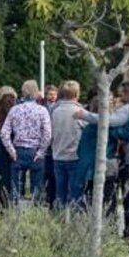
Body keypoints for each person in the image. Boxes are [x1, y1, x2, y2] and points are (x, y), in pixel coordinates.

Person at [80, 82, 129, 239]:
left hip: (89, 170)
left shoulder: (88, 129)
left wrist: (84, 115)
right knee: (118, 201)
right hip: (116, 166)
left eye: (121, 95)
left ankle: (97, 233)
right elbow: (126, 133)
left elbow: (113, 123)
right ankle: (122, 232)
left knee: (94, 202)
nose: (120, 99)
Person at [0, 79, 52, 207]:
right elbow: (47, 134)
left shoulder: (15, 110)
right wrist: (41, 151)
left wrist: (11, 150)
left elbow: (4, 133)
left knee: (15, 188)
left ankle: (13, 214)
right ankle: (35, 215)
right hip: (35, 151)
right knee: (37, 188)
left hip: (19, 150)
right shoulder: (42, 111)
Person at [49, 81, 87, 209]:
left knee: (60, 194)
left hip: (58, 156)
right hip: (74, 156)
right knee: (75, 195)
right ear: (76, 94)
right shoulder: (79, 111)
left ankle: (59, 222)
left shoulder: (55, 111)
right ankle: (74, 224)